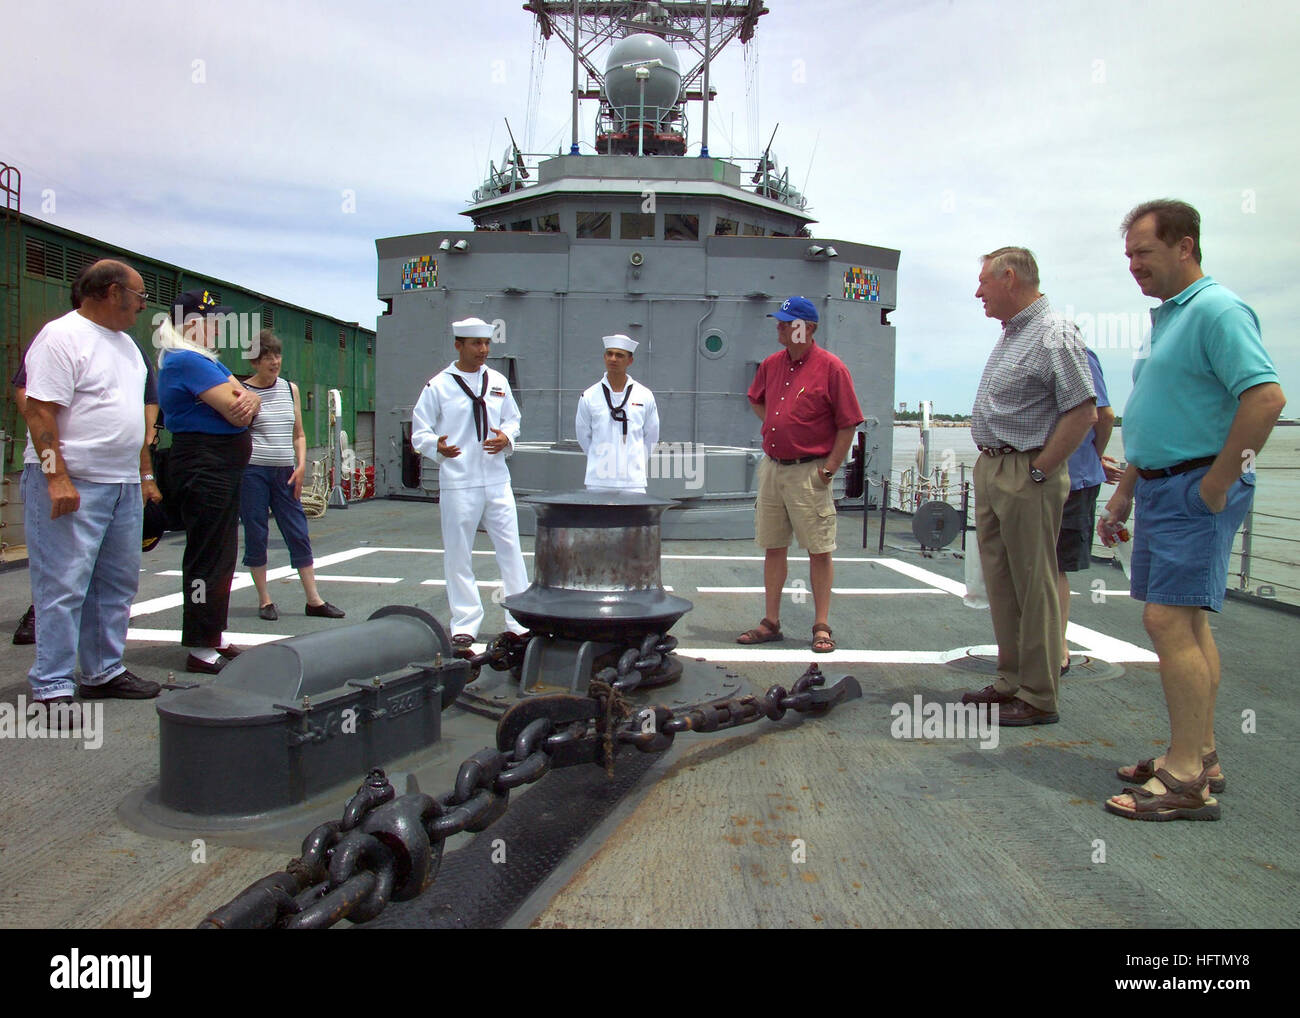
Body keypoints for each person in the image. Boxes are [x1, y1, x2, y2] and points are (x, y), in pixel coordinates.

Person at [1102, 200, 1285, 821]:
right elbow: (1160, 412)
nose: (1133, 266)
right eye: (1128, 255)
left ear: (1185, 247)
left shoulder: (1216, 309)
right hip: (1160, 485)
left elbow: (1264, 397)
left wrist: (1216, 482)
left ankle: (1184, 780)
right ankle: (1199, 753)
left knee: (1167, 623)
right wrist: (1126, 487)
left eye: (1143, 253)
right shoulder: (1169, 319)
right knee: (1188, 624)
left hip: (1191, 488)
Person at [19, 259, 163, 705]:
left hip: (121, 483)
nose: (143, 305)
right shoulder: (61, 337)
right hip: (74, 480)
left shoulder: (128, 348)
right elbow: (39, 410)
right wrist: (56, 477)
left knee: (117, 583)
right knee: (63, 583)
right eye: (139, 295)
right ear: (112, 291)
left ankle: (103, 670)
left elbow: (134, 420)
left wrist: (142, 474)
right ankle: (52, 682)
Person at [963, 248, 1096, 726]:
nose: (978, 292)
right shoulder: (1015, 333)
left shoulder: (1053, 333)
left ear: (1010, 278)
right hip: (995, 467)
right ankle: (1010, 680)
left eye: (983, 283)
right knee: (1001, 582)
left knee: (1034, 584)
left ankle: (1038, 694)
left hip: (1025, 472)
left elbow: (1083, 409)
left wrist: (1041, 469)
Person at [738, 296, 863, 653]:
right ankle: (771, 622)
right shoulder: (770, 365)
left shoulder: (831, 368)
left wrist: (828, 470)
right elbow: (755, 398)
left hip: (809, 472)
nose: (779, 326)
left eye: (787, 322)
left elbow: (848, 423)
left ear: (808, 329)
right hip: (773, 469)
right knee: (773, 547)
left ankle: (821, 625)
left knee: (819, 550)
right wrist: (777, 424)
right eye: (779, 321)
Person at [410, 317, 529, 654]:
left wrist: (506, 437)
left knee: (510, 549)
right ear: (458, 345)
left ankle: (519, 621)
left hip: (496, 479)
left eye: (487, 344)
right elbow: (420, 431)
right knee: (459, 553)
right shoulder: (438, 386)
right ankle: (464, 623)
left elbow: (513, 419)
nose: (484, 350)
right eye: (476, 344)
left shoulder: (498, 382)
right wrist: (437, 447)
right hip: (459, 480)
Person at [157, 290, 260, 674]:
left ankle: (213, 633)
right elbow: (239, 411)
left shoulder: (200, 361)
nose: (220, 326)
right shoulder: (188, 361)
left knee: (219, 553)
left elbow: (250, 398)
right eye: (213, 320)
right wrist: (248, 402)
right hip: (206, 465)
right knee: (207, 556)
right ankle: (201, 646)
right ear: (192, 325)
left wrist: (250, 401)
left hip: (217, 466)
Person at [238, 330, 344, 621]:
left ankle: (314, 600)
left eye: (277, 355)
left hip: (286, 470)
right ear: (254, 362)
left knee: (297, 532)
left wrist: (301, 466)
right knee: (256, 532)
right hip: (253, 471)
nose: (274, 362)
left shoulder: (290, 389)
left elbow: (298, 433)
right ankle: (264, 600)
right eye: (266, 357)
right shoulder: (240, 389)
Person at [1056, 347, 1123, 672]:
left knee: (1054, 565)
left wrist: (1092, 458)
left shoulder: (1075, 352)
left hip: (1072, 480)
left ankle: (1057, 646)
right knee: (1040, 564)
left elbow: (1104, 415)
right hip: (1039, 476)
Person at [574, 334, 660, 493]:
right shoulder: (589, 396)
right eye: (609, 354)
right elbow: (583, 436)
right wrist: (601, 459)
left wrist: (633, 462)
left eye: (619, 355)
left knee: (634, 519)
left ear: (630, 361)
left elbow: (651, 436)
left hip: (633, 482)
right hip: (598, 481)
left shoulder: (644, 395)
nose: (613, 359)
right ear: (604, 357)